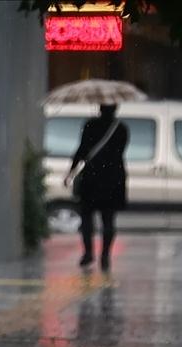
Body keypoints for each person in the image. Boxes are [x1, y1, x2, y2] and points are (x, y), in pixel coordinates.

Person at [64, 103, 129, 272]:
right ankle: (105, 255)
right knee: (108, 219)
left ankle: (88, 253)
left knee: (87, 217)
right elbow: (120, 151)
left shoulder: (90, 125)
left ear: (100, 109)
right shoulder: (121, 129)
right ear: (116, 109)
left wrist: (71, 172)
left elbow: (81, 150)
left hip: (92, 178)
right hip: (113, 178)